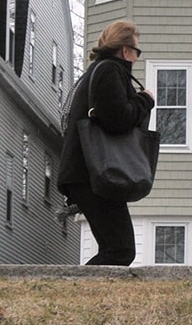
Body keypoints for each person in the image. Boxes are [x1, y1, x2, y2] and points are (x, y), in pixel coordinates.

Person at [59, 20, 154, 266]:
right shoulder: (109, 70)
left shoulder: (100, 70)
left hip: (92, 173)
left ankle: (79, 296)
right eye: (136, 51)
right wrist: (145, 100)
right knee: (119, 250)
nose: (136, 58)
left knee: (116, 248)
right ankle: (71, 294)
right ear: (125, 50)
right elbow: (116, 120)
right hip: (94, 173)